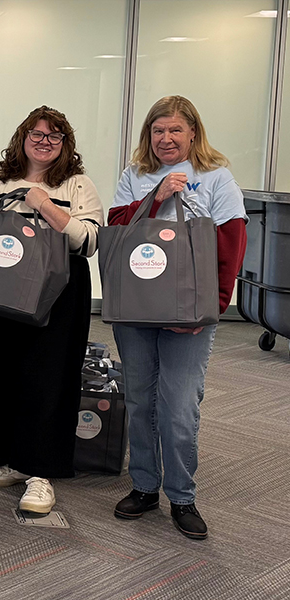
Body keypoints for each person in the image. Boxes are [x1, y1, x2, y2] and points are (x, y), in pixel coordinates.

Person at [108, 96, 247, 540]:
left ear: (192, 133)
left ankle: (182, 496)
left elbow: (231, 245)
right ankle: (146, 486)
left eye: (175, 131)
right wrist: (157, 193)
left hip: (190, 313)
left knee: (180, 408)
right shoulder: (135, 176)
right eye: (157, 131)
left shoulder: (217, 178)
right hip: (136, 309)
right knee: (141, 400)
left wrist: (213, 307)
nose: (166, 139)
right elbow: (115, 227)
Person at [0, 106, 103, 515]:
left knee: (47, 377)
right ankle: (16, 459)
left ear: (65, 144)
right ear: (22, 138)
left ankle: (42, 473)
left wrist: (45, 205)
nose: (43, 142)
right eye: (36, 134)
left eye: (54, 136)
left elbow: (89, 242)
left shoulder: (77, 184)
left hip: (56, 293)